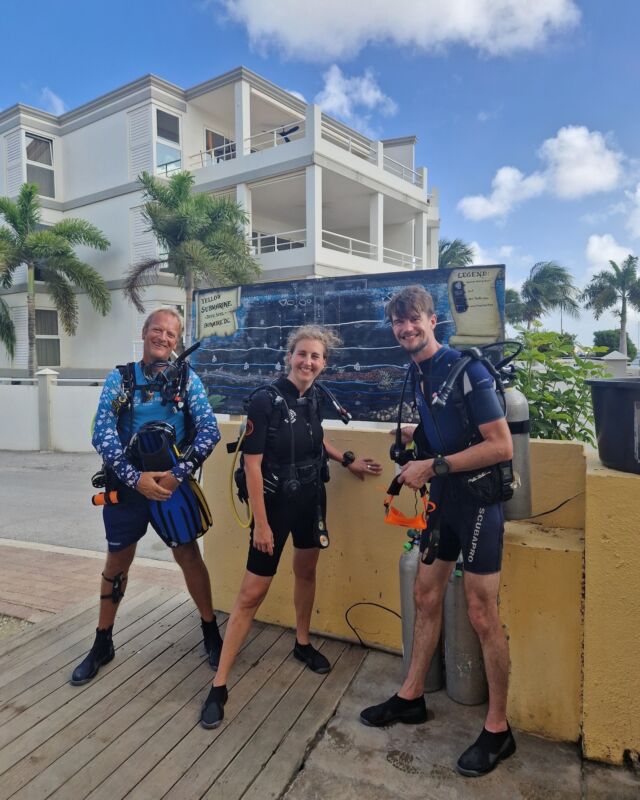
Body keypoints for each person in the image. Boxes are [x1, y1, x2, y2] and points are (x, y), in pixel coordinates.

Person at [359, 285, 515, 778]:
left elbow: (501, 446)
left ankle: (498, 727)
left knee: (480, 612)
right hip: (444, 501)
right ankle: (411, 697)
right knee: (425, 595)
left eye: (414, 319)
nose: (406, 328)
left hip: (477, 503)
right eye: (398, 322)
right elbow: (443, 431)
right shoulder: (418, 374)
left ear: (432, 320)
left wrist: (434, 464)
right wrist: (414, 440)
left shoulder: (467, 372)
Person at [200, 325, 383, 728]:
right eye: (302, 354)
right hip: (275, 506)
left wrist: (346, 459)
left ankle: (301, 643)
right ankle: (219, 684)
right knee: (252, 593)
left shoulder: (314, 396)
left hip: (310, 498)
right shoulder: (264, 401)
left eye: (316, 357)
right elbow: (251, 465)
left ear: (323, 363)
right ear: (290, 356)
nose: (308, 362)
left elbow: (315, 439)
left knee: (306, 570)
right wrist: (262, 525)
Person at [70, 307, 223, 685]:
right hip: (127, 487)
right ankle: (102, 642)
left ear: (177, 341)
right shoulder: (121, 379)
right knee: (117, 562)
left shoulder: (188, 380)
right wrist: (134, 478)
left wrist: (177, 474)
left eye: (171, 334)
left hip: (173, 486)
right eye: (158, 330)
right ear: (144, 332)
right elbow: (102, 432)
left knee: (188, 556)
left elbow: (209, 431)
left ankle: (210, 632)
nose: (164, 338)